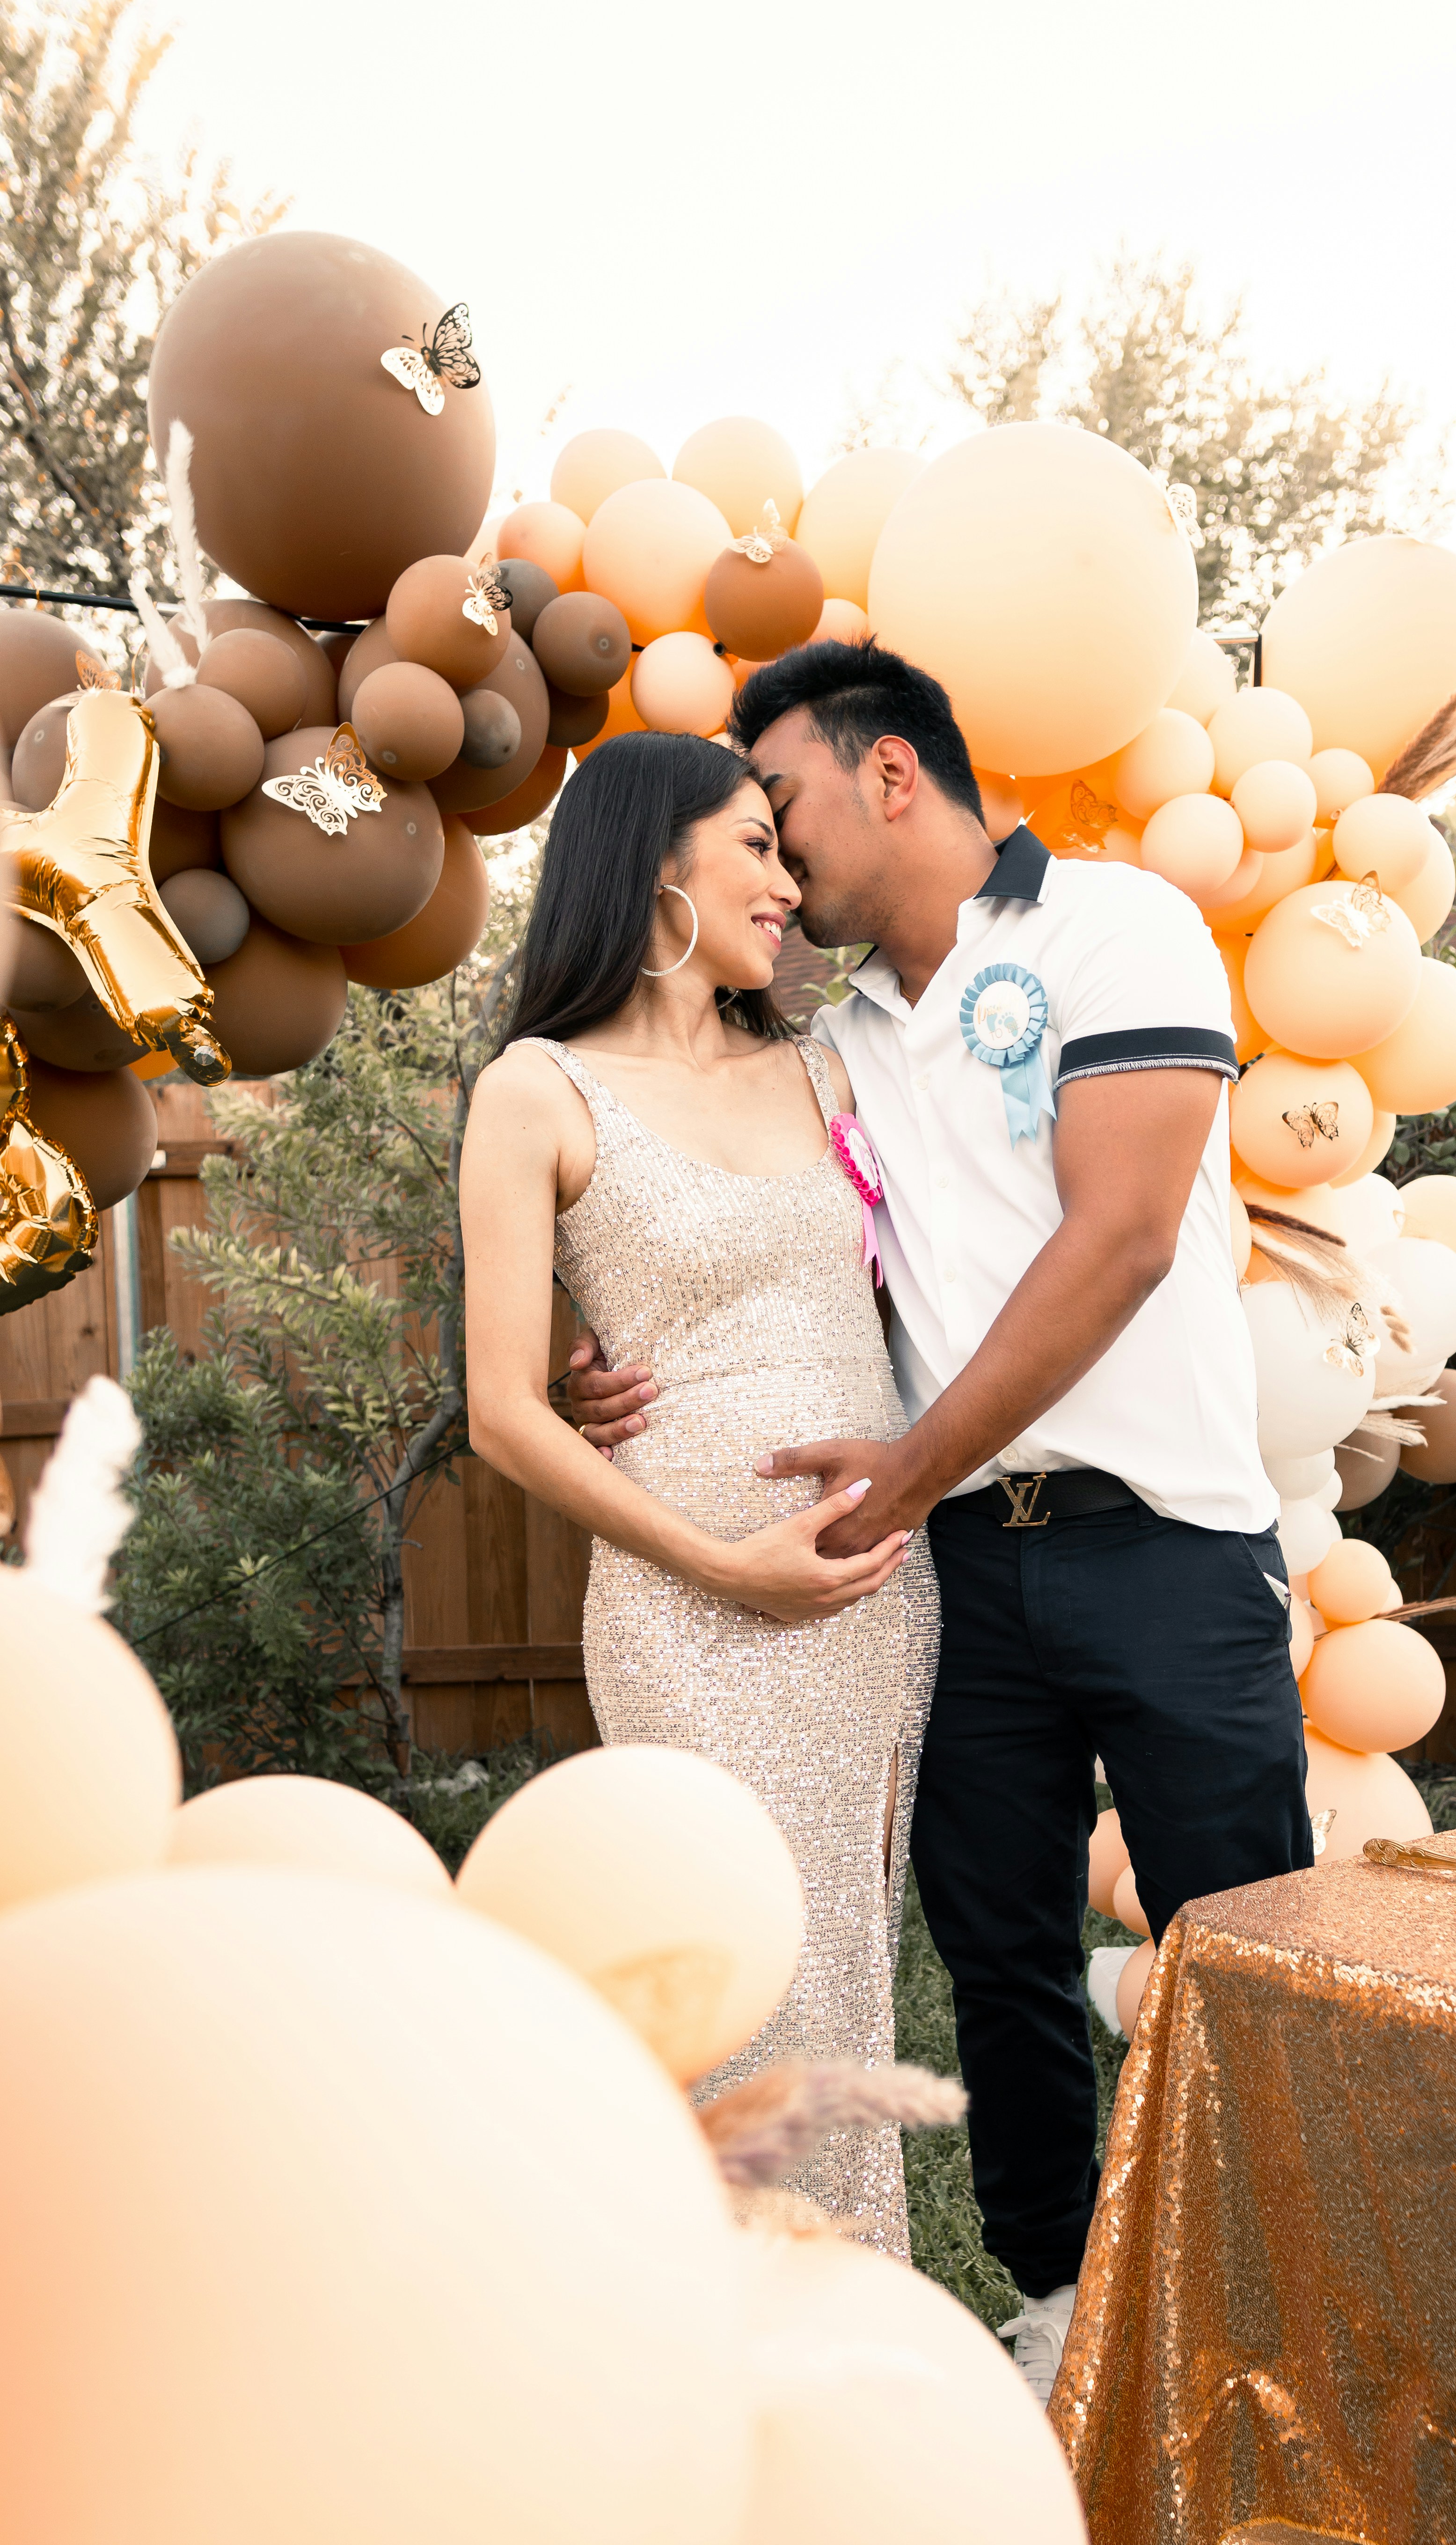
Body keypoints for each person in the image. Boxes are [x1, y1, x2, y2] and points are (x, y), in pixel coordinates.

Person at [570, 638, 1312, 2402]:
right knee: (1001, 1959)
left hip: (1169, 1541)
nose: (773, 847)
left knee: (1253, 1960)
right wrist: (607, 1351)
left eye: (787, 804)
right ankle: (1068, 2315)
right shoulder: (823, 1046)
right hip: (964, 1577)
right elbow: (706, 1208)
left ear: (892, 773)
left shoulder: (1120, 929)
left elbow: (1120, 1240)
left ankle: (1291, 2352)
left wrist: (896, 1469)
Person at [460, 731, 939, 2257]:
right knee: (727, 1972)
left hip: (874, 1602)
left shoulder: (828, 1064)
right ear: (657, 859)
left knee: (846, 1965)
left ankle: (853, 2312)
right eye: (757, 848)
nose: (790, 886)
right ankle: (697, 2319)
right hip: (690, 1608)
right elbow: (502, 1412)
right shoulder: (534, 1090)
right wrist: (725, 1566)